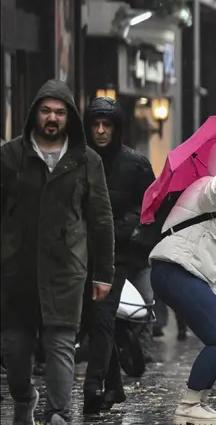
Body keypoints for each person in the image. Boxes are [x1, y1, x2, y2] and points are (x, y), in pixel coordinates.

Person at [0, 80, 115, 425]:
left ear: (69, 117)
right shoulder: (11, 156)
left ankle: (58, 414)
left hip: (66, 269)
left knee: (61, 343)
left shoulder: (86, 160)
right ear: (35, 113)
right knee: (15, 349)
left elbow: (101, 219)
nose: (52, 118)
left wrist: (103, 273)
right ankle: (25, 398)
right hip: (16, 269)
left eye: (60, 112)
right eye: (46, 111)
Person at [149, 136, 216, 424]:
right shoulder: (206, 186)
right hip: (175, 269)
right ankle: (188, 406)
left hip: (190, 273)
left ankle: (197, 402)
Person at [78, 96, 156, 413]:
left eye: (106, 125)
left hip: (118, 255)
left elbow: (151, 207)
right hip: (82, 252)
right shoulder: (77, 161)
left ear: (116, 128)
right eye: (95, 124)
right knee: (93, 319)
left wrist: (126, 229)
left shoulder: (136, 164)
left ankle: (93, 385)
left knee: (101, 315)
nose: (100, 131)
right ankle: (113, 385)